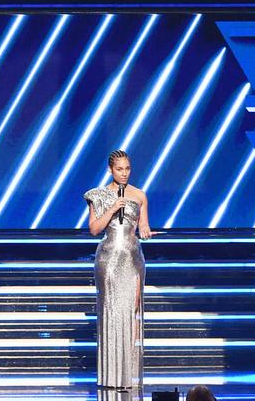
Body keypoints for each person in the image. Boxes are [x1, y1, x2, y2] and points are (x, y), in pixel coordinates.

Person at [84, 150, 152, 396]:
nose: (124, 173)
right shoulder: (98, 195)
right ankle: (110, 373)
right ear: (110, 170)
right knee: (111, 312)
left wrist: (144, 229)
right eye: (119, 169)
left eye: (127, 168)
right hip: (110, 258)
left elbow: (142, 226)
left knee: (131, 312)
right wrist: (112, 208)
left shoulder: (140, 195)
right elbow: (94, 229)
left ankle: (127, 372)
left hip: (133, 257)